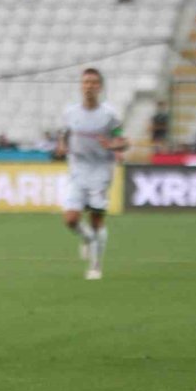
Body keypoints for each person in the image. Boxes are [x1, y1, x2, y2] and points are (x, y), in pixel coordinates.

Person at [55, 68, 127, 281]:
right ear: (81, 85)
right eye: (86, 82)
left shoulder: (109, 115)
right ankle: (87, 239)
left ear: (100, 87)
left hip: (101, 171)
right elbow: (64, 134)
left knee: (96, 219)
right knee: (70, 219)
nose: (89, 86)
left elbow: (123, 141)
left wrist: (113, 144)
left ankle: (95, 265)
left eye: (93, 83)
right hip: (77, 169)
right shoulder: (70, 113)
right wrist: (61, 146)